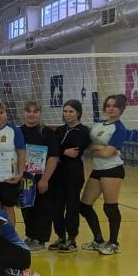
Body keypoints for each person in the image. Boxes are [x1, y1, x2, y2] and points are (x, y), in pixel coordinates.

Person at [79, 94, 128, 255]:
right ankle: (98, 239)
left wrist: (96, 148)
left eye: (115, 106)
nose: (111, 109)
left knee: (110, 207)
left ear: (121, 109)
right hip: (98, 169)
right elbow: (88, 145)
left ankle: (113, 243)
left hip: (112, 169)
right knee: (84, 206)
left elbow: (107, 154)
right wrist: (100, 147)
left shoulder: (119, 129)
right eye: (108, 106)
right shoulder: (98, 125)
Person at [49, 100, 92, 252]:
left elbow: (74, 152)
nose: (67, 114)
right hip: (57, 174)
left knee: (72, 207)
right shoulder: (59, 130)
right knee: (57, 207)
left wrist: (60, 151)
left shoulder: (83, 131)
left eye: (71, 111)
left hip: (73, 174)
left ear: (78, 113)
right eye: (65, 111)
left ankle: (72, 239)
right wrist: (63, 151)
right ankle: (61, 237)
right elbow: (53, 149)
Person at [19, 101, 60, 253]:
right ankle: (30, 236)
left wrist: (45, 179)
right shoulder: (19, 131)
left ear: (40, 113)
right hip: (24, 178)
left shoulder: (47, 133)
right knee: (26, 206)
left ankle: (40, 240)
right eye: (28, 111)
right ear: (24, 113)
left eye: (35, 111)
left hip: (41, 177)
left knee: (42, 208)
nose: (31, 114)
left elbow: (53, 157)